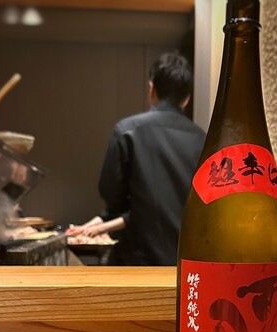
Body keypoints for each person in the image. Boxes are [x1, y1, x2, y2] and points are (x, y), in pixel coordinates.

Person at [66, 52, 205, 265]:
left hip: (137, 262)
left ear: (151, 89)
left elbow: (111, 194)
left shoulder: (127, 131)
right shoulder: (204, 141)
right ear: (187, 98)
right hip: (186, 265)